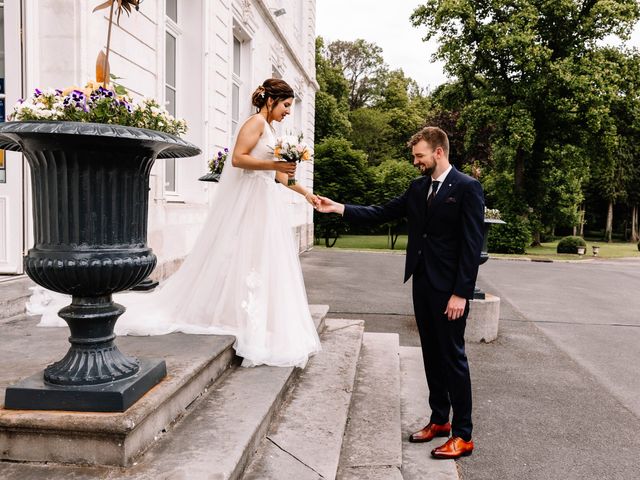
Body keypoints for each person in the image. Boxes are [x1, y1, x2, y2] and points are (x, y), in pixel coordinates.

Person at [29, 78, 322, 369]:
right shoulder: (255, 123)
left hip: (265, 202)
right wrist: (274, 165)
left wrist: (307, 194)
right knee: (243, 253)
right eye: (285, 105)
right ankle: (239, 315)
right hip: (250, 203)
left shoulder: (272, 130)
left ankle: (255, 316)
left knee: (263, 259)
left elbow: (282, 176)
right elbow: (238, 159)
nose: (287, 112)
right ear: (270, 101)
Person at [315, 126, 484, 459]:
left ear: (438, 152)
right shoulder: (417, 188)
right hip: (422, 284)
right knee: (431, 356)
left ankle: (463, 434)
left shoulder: (467, 187)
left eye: (419, 156)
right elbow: (381, 212)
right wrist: (339, 208)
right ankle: (439, 421)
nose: (415, 162)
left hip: (450, 291)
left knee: (453, 359)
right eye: (414, 157)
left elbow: (472, 244)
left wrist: (461, 293)